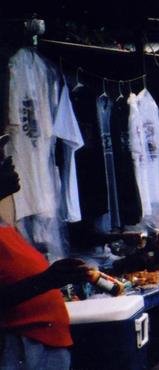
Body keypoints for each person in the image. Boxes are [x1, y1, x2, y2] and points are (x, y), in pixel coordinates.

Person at [1, 151, 90, 369]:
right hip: (22, 347)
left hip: (42, 343)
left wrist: (53, 277)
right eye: (1, 162)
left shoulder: (4, 224)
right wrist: (47, 280)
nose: (11, 161)